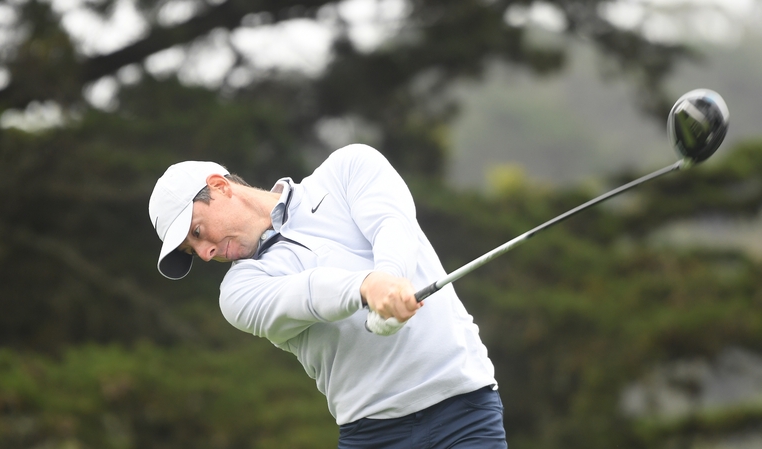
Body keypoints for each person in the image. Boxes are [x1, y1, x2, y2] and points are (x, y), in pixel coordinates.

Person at [148, 144, 507, 447]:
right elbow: (309, 293)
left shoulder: (348, 168)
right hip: (374, 434)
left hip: (465, 408)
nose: (206, 252)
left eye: (197, 232)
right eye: (194, 250)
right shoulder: (239, 292)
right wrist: (367, 288)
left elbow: (392, 226)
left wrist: (390, 280)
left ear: (219, 187)